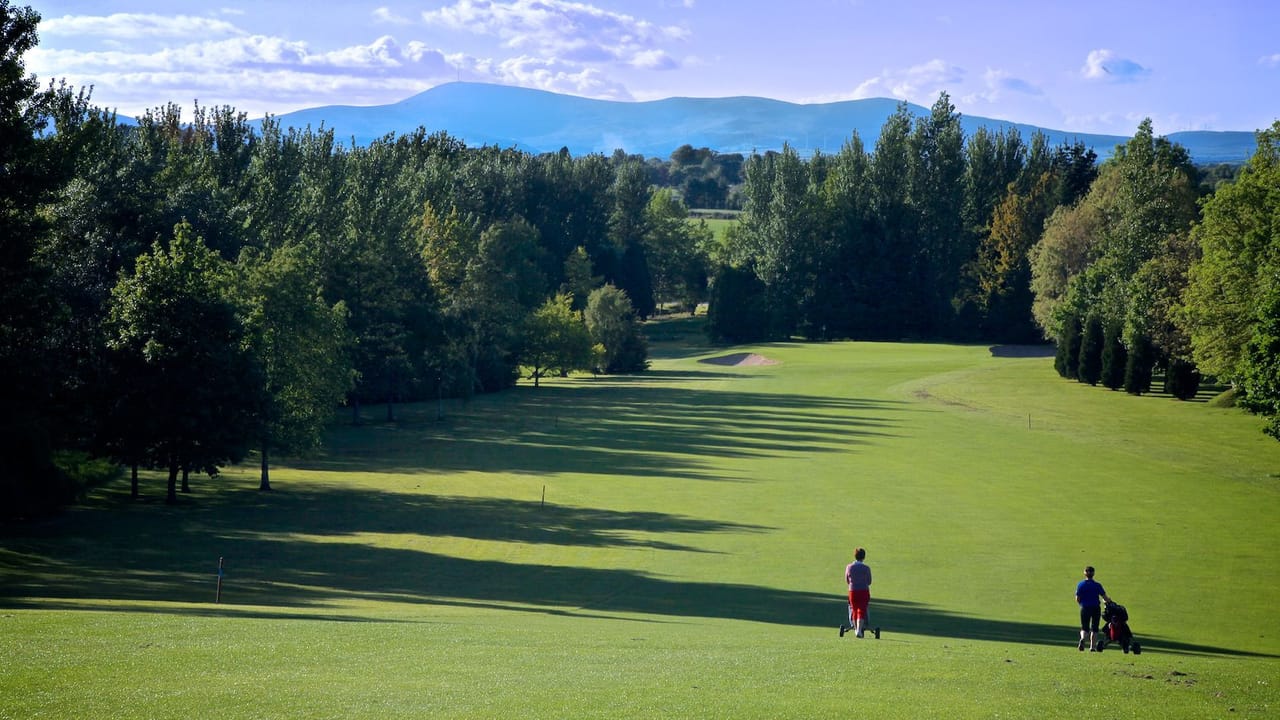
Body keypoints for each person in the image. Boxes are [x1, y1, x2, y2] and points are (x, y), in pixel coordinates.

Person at [840, 547, 877, 638]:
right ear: (863, 557)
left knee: (854, 608)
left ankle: (856, 629)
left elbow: (847, 580)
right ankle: (859, 630)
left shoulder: (849, 567)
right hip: (863, 591)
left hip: (853, 591)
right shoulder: (866, 568)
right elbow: (869, 581)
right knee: (862, 609)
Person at [1075, 565, 1113, 651]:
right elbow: (1105, 598)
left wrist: (1082, 603)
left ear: (1085, 573)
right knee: (1095, 628)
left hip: (1085, 608)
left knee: (1084, 627)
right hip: (1095, 608)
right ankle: (1092, 647)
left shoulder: (1081, 585)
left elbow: (1077, 598)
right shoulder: (1097, 585)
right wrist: (1109, 601)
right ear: (1093, 574)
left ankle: (1083, 639)